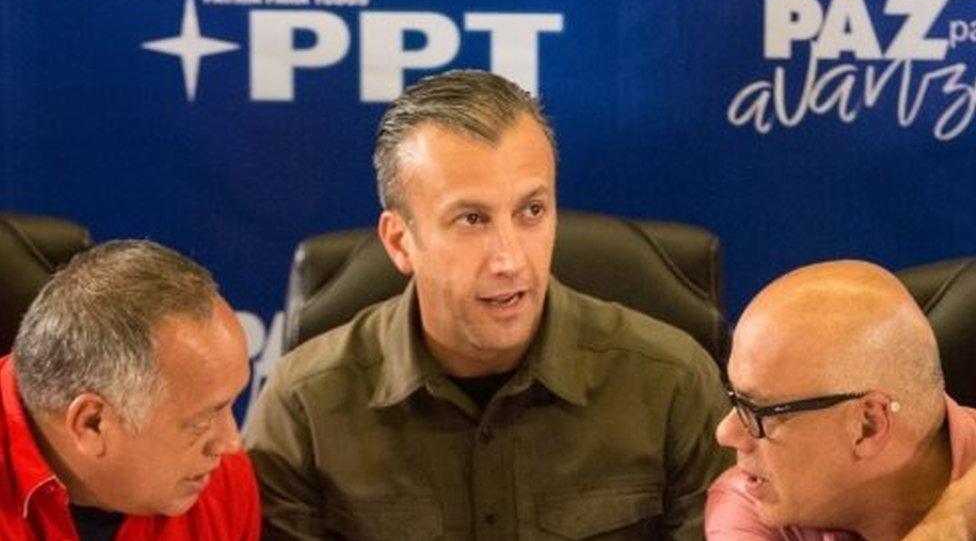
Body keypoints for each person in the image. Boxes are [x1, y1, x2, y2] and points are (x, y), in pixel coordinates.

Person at [246, 69, 730, 539]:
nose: (510, 259)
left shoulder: (675, 384)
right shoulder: (302, 406)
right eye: (472, 219)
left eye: (532, 211)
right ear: (399, 242)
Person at [0, 240, 260, 540]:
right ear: (92, 423)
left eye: (232, 404)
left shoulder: (223, 481)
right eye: (201, 421)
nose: (231, 443)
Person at [706, 260, 976, 540]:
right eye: (735, 399)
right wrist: (950, 526)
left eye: (758, 411)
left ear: (868, 426)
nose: (725, 433)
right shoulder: (749, 505)